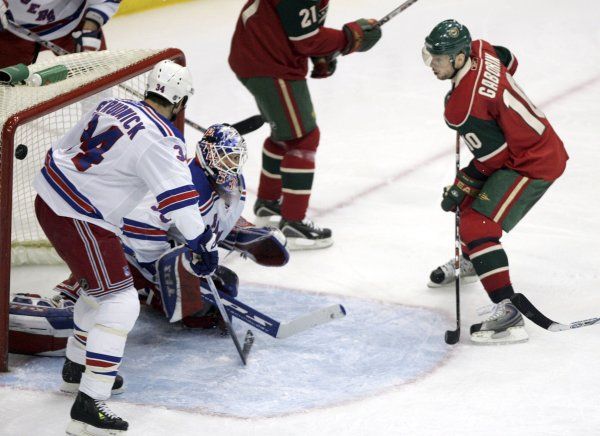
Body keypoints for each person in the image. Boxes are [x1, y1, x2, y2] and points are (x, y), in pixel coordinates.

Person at [33, 59, 217, 435]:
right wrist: (202, 244)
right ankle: (90, 404)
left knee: (101, 291)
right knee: (121, 302)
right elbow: (181, 205)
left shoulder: (111, 105)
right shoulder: (164, 141)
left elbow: (65, 147)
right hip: (80, 216)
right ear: (181, 102)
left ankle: (76, 367)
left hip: (51, 196)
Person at [9, 125, 289, 354]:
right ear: (206, 156)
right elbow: (138, 227)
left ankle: (147, 292)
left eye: (234, 159)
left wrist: (244, 234)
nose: (230, 167)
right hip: (129, 249)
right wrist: (168, 269)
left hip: (171, 251)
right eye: (224, 159)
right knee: (99, 308)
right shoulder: (184, 184)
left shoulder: (233, 185)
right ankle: (70, 294)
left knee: (219, 297)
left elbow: (217, 221)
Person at [422, 20, 568, 344]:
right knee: (471, 206)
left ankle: (508, 314)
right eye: (431, 57)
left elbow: (494, 159)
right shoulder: (481, 48)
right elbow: (509, 59)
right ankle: (475, 262)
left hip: (534, 161)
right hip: (527, 146)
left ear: (460, 58)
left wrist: (462, 185)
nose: (433, 65)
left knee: (476, 223)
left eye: (440, 59)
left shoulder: (461, 109)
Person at [228, 0, 382, 250]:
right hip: (269, 64)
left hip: (259, 55)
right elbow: (306, 39)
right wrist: (349, 38)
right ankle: (293, 223)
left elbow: (296, 28)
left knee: (285, 133)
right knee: (303, 138)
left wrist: (322, 53)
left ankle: (268, 200)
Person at [0, 0, 117, 69]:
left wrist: (90, 30)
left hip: (73, 27)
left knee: (97, 78)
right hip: (11, 31)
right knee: (4, 90)